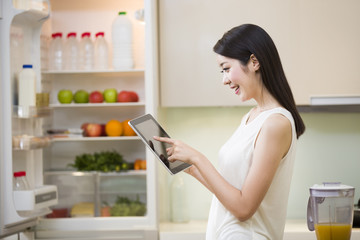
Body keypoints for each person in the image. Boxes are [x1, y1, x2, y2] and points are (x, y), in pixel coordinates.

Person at [154, 24, 305, 240]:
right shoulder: (251, 117)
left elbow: (244, 209)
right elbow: (231, 194)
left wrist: (198, 157)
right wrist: (191, 167)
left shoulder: (275, 124)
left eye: (226, 68)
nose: (224, 79)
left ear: (254, 62)